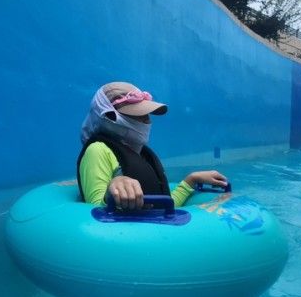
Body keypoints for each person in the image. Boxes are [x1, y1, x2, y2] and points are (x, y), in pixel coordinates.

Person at [77, 81, 228, 209]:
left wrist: (190, 181)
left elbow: (161, 208)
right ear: (110, 117)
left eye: (146, 115)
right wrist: (114, 187)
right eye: (138, 115)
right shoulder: (97, 150)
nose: (147, 121)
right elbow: (95, 212)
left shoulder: (140, 153)